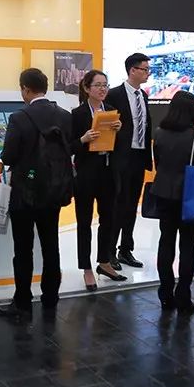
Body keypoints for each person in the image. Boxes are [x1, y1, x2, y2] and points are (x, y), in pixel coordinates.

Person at [0, 68, 73, 323]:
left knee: (23, 248)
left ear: (26, 89)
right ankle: (50, 298)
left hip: (25, 191)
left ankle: (23, 303)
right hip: (53, 190)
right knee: (51, 244)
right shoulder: (64, 116)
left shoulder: (19, 118)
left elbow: (9, 156)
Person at [150, 90, 194, 314]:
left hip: (164, 193)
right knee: (187, 246)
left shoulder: (159, 132)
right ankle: (183, 296)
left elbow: (158, 164)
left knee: (166, 242)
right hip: (190, 196)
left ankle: (165, 294)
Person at [71, 70, 125, 291]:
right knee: (84, 222)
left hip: (108, 171)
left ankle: (104, 261)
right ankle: (86, 268)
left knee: (108, 219)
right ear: (87, 88)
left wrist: (119, 131)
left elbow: (119, 146)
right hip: (86, 173)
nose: (103, 89)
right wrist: (83, 139)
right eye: (98, 85)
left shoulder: (111, 111)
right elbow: (69, 146)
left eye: (105, 85)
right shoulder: (78, 114)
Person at [105, 53, 153, 270]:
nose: (148, 73)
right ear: (133, 70)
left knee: (132, 204)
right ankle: (109, 251)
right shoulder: (114, 95)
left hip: (138, 156)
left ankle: (125, 249)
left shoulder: (143, 95)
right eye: (145, 69)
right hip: (119, 157)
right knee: (117, 204)